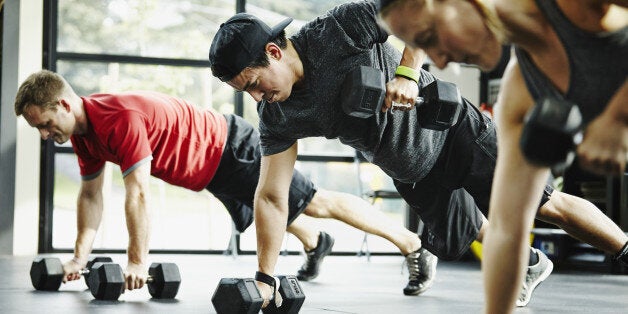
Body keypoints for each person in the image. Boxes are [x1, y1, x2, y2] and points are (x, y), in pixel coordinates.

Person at [208, 0, 626, 308]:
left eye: (254, 83)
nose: (256, 96)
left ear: (275, 52)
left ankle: (624, 249)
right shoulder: (278, 116)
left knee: (542, 206)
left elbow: (416, 10)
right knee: (458, 239)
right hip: (409, 169)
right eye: (245, 92)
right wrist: (266, 277)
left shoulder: (336, 30)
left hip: (454, 134)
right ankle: (532, 264)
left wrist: (407, 73)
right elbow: (270, 196)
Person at [14, 69, 426, 291]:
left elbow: (137, 194)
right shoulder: (83, 135)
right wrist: (79, 257)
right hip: (212, 170)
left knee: (314, 201)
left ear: (65, 104)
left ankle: (413, 245)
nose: (47, 136)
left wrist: (137, 261)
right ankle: (317, 243)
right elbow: (90, 196)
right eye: (40, 130)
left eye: (47, 124)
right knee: (279, 211)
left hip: (230, 148)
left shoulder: (118, 119)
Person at [377, 0, 628, 313]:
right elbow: (508, 229)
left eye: (429, 37)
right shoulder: (521, 92)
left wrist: (617, 117)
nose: (440, 63)